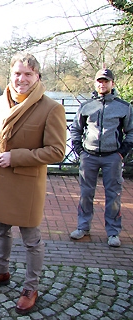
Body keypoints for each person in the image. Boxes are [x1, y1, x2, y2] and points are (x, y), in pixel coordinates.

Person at [0, 53, 67, 314]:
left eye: (28, 74)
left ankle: (30, 287)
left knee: (31, 240)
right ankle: (0, 271)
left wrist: (17, 157)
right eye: (17, 73)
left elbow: (57, 151)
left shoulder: (51, 108)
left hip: (27, 183)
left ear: (37, 76)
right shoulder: (2, 101)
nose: (21, 78)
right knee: (0, 228)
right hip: (0, 181)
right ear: (10, 75)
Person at [69, 68, 133, 247]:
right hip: (88, 155)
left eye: (105, 81)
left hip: (112, 156)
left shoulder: (124, 107)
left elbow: (131, 131)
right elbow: (76, 129)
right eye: (99, 81)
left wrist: (122, 152)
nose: (102, 84)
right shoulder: (86, 105)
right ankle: (83, 227)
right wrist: (79, 150)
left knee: (113, 194)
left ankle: (113, 232)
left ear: (112, 83)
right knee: (85, 194)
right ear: (95, 83)